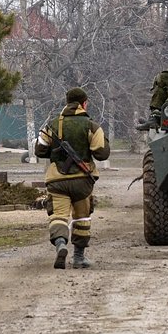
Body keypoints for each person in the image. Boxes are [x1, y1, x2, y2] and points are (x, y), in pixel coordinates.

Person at [35, 87, 110, 269]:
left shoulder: (52, 125)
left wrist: (56, 154)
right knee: (81, 218)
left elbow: (39, 150)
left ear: (67, 103)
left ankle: (61, 244)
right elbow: (101, 153)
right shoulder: (91, 125)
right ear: (84, 103)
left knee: (58, 216)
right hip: (82, 182)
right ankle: (78, 257)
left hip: (57, 181)